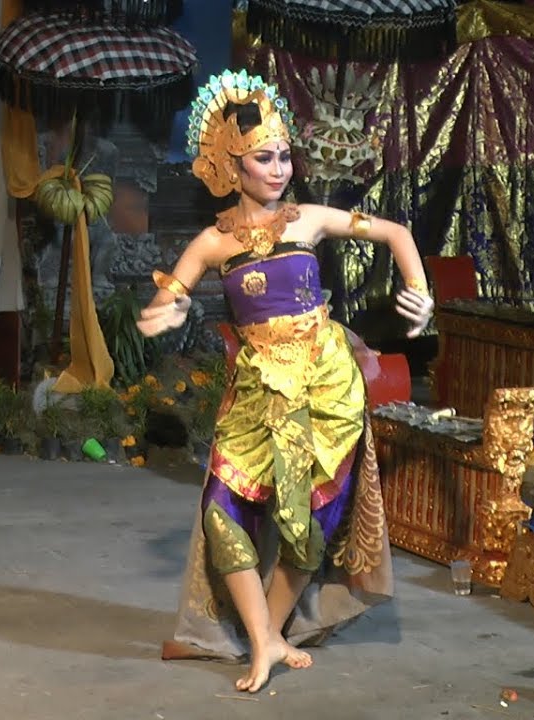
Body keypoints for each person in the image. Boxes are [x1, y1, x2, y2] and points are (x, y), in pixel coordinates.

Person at [137, 70, 433, 693]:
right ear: (232, 166)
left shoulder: (310, 220)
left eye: (283, 156)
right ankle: (263, 637)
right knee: (221, 511)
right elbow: (172, 293)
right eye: (263, 158)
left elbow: (396, 233)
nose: (279, 169)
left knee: (307, 520)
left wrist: (419, 290)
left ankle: (268, 637)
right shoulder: (212, 242)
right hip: (257, 390)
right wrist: (170, 307)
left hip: (324, 385)